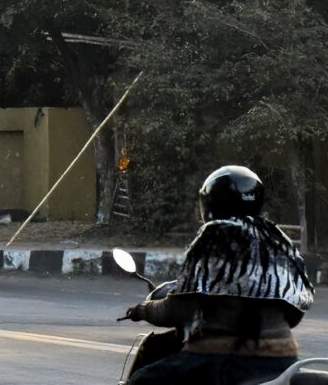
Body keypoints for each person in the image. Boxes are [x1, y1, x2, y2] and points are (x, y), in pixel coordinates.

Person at [124, 165, 314, 385]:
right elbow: (294, 314)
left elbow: (179, 310)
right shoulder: (279, 240)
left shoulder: (214, 236)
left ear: (210, 203)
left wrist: (142, 310)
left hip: (223, 359)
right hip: (282, 361)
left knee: (140, 380)